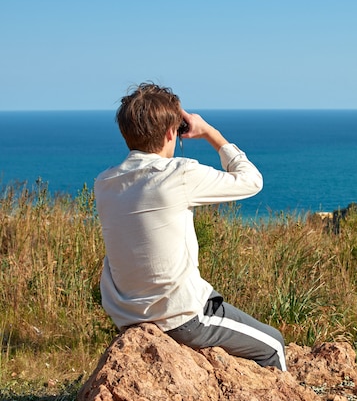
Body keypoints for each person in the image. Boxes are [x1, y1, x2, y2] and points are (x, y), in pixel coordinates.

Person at [94, 82, 286, 371]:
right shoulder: (178, 174)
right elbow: (252, 181)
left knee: (208, 294)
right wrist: (210, 132)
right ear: (173, 132)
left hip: (127, 315)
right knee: (274, 345)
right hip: (178, 317)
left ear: (125, 133)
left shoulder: (104, 183)